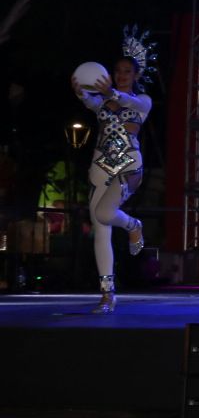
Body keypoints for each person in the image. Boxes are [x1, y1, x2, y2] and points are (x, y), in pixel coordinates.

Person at [69, 26, 155, 314]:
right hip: (100, 166)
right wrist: (81, 91)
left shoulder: (143, 102)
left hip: (129, 165)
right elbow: (90, 101)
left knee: (106, 214)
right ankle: (107, 294)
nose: (121, 75)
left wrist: (112, 92)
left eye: (127, 71)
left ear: (136, 75)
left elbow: (128, 101)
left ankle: (133, 225)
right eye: (117, 71)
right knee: (100, 227)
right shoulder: (103, 102)